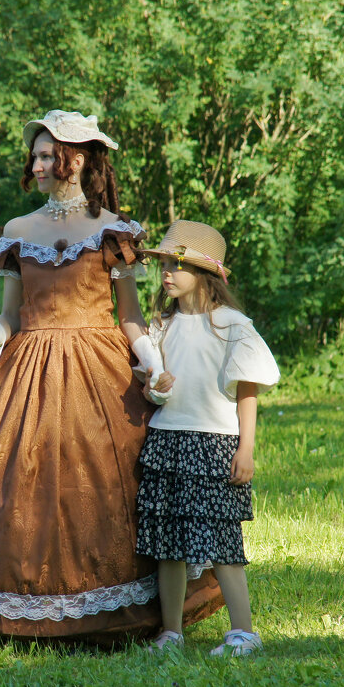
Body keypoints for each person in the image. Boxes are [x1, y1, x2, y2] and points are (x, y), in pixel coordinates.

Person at [0, 111, 226, 646]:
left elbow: (127, 316)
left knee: (106, 482)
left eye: (43, 155)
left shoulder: (114, 231)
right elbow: (11, 316)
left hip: (98, 371)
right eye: (32, 156)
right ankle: (19, 606)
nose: (34, 165)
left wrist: (151, 359)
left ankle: (120, 610)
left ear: (75, 160)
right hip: (27, 366)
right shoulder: (17, 231)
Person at [135, 220, 280, 655]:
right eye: (164, 264)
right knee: (169, 544)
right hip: (166, 442)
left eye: (176, 265)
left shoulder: (231, 325)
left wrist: (246, 450)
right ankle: (171, 632)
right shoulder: (160, 326)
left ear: (204, 273)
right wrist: (152, 388)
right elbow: (151, 386)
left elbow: (247, 391)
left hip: (215, 445)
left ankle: (243, 633)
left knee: (222, 541)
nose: (166, 273)